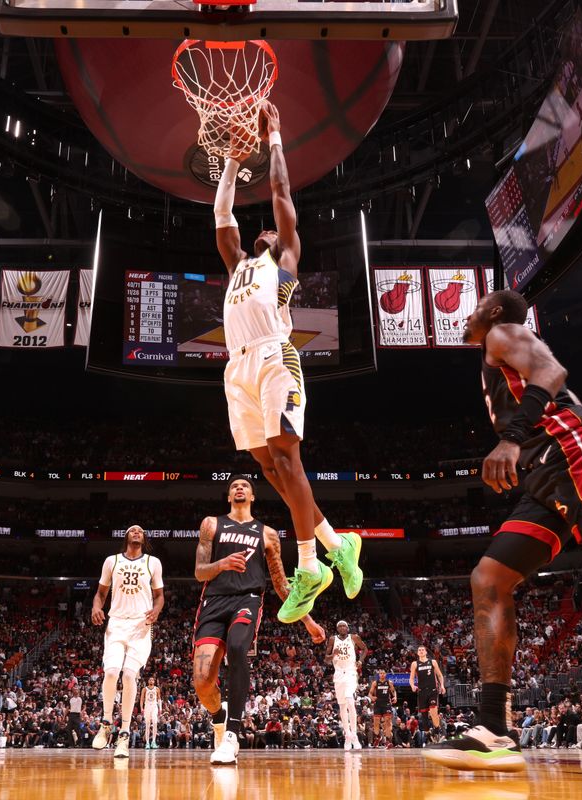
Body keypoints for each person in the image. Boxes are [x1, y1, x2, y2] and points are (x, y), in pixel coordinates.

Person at [425, 289, 582, 773]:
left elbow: (552, 374)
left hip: (575, 455)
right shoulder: (493, 356)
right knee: (489, 579)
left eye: (474, 305)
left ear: (494, 312)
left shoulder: (504, 333)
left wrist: (510, 440)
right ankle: (494, 728)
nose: (468, 313)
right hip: (543, 481)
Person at [213, 100, 363, 624]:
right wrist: (232, 160)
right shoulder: (237, 265)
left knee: (288, 458)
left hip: (276, 357)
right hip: (237, 369)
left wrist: (274, 136)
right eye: (265, 234)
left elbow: (280, 193)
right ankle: (335, 544)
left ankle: (309, 565)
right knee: (267, 465)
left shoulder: (286, 262)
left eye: (275, 233)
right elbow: (222, 214)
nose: (268, 232)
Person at [193, 475, 325, 765]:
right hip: (214, 601)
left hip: (247, 599)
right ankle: (219, 716)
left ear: (252, 497)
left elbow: (281, 584)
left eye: (245, 487)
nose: (239, 489)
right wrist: (223, 564)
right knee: (202, 682)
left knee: (239, 648)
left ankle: (232, 734)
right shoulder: (211, 524)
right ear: (229, 497)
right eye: (234, 487)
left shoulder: (267, 534)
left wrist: (308, 621)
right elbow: (200, 572)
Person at [91, 525, 164, 759]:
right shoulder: (111, 561)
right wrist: (95, 607)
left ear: (143, 538)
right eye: (132, 529)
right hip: (117, 623)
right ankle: (105, 724)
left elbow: (160, 595)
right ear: (126, 536)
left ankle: (123, 733)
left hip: (141, 626)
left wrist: (156, 610)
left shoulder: (153, 562)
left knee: (130, 675)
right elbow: (101, 593)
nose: (136, 531)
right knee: (111, 672)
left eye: (140, 530)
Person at [324, 620, 367, 750]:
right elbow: (326, 659)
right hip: (338, 674)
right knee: (342, 705)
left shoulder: (353, 637)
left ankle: (354, 734)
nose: (343, 628)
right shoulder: (332, 639)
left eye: (345, 626)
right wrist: (333, 655)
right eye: (340, 626)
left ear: (347, 628)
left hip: (350, 672)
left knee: (350, 700)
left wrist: (360, 661)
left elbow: (365, 649)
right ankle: (347, 735)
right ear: (337, 629)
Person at [409, 645, 446, 742]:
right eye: (419, 650)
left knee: (434, 711)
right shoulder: (415, 664)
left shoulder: (432, 662)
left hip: (432, 690)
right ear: (417, 653)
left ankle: (437, 731)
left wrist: (442, 685)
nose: (421, 651)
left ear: (426, 652)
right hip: (422, 692)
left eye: (422, 650)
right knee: (424, 716)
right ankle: (428, 733)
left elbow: (440, 675)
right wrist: (412, 685)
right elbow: (411, 678)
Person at [368, 669, 397, 749]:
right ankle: (377, 737)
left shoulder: (389, 682)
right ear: (378, 674)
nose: (382, 674)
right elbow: (370, 693)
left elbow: (394, 691)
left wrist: (395, 697)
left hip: (387, 704)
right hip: (378, 704)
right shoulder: (375, 683)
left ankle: (388, 741)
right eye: (380, 673)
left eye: (383, 673)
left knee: (387, 722)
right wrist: (371, 697)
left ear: (386, 674)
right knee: (376, 722)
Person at [140, 676, 162, 749]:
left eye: (152, 680)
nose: (151, 681)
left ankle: (153, 742)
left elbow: (159, 699)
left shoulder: (157, 689)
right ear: (148, 681)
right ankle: (147, 743)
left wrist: (160, 709)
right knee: (147, 724)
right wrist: (141, 708)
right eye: (150, 680)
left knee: (155, 722)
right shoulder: (144, 689)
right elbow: (142, 700)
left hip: (154, 706)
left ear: (154, 681)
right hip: (147, 707)